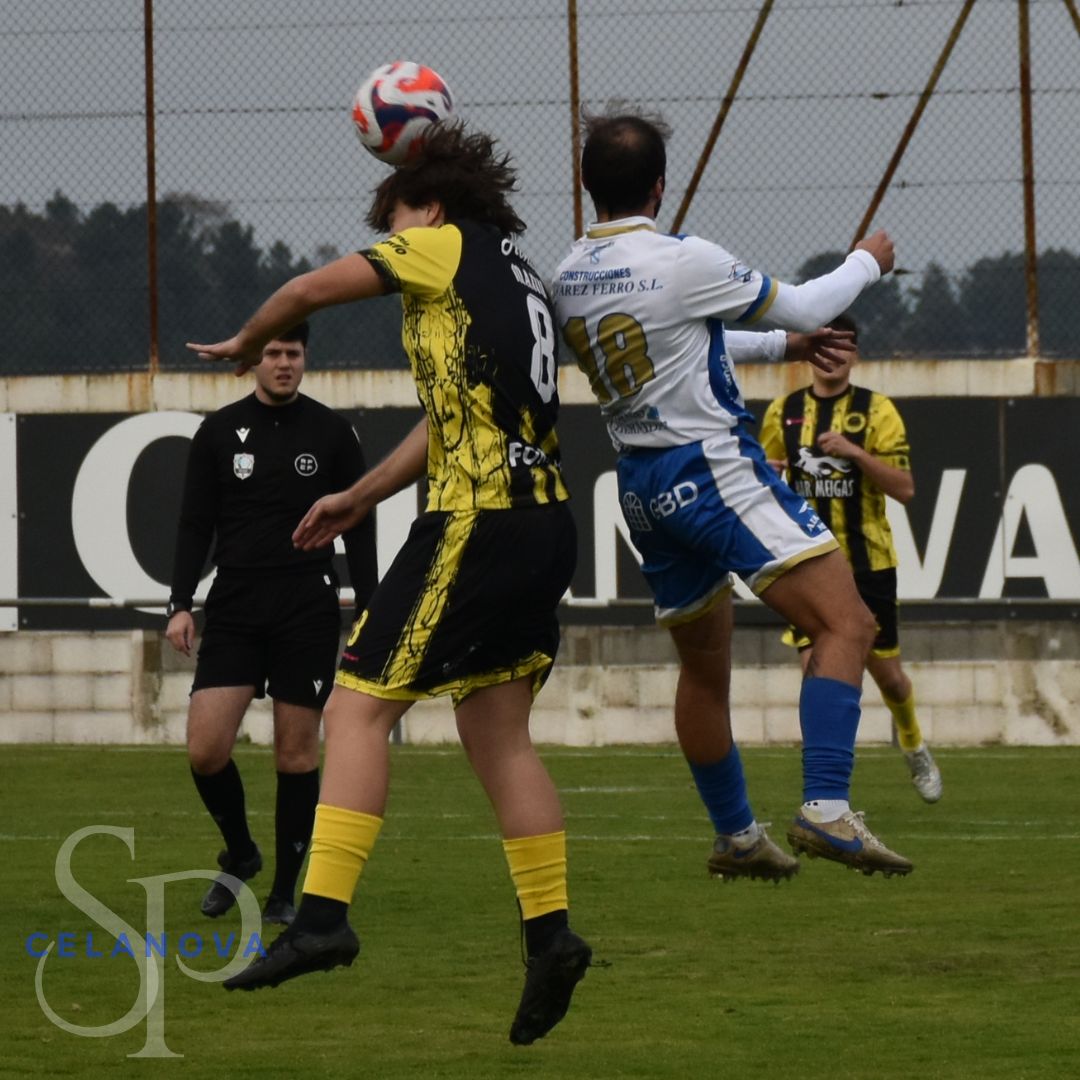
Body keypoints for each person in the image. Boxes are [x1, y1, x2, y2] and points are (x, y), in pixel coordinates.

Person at [186, 122, 591, 1046]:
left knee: (357, 707)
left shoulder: (438, 246)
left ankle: (321, 919)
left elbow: (303, 292)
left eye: (393, 217)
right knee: (499, 736)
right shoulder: (516, 273)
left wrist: (250, 338)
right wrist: (361, 495)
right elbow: (448, 419)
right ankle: (552, 937)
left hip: (477, 523)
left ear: (430, 211)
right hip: (542, 523)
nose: (387, 235)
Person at [552, 108, 913, 879]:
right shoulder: (682, 259)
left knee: (704, 671)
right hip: (709, 467)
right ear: (659, 183)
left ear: (588, 186)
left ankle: (737, 836)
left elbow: (682, 335)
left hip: (643, 489)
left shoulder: (569, 275)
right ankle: (825, 807)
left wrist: (781, 347)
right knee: (848, 622)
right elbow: (814, 303)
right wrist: (867, 260)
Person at [166, 321, 378, 926]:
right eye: (274, 353)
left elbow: (358, 524)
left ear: (305, 358)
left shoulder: (333, 433)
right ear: (254, 361)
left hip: (306, 608)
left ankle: (286, 890)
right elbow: (193, 524)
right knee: (206, 750)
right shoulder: (217, 433)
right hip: (233, 605)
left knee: (296, 754)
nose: (284, 363)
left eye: (294, 353)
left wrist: (369, 607)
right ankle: (241, 851)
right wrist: (180, 601)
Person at [759, 313, 942, 803]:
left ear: (854, 354)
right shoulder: (783, 413)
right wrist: (772, 474)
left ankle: (912, 740)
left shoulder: (876, 411)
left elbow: (904, 488)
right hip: (809, 562)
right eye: (825, 347)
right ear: (812, 352)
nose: (833, 357)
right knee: (817, 669)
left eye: (843, 348)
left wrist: (854, 454)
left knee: (889, 677)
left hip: (868, 564)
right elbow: (763, 482)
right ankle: (827, 789)